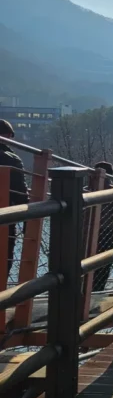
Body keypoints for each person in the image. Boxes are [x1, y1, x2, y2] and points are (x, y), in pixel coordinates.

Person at [91, 160, 113, 293]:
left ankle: (83, 291)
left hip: (86, 232)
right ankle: (96, 292)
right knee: (104, 266)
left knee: (85, 264)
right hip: (108, 231)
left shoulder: (86, 191)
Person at [0, 119, 29, 279]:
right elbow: (20, 195)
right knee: (3, 262)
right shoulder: (11, 159)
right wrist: (28, 222)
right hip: (5, 218)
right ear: (8, 136)